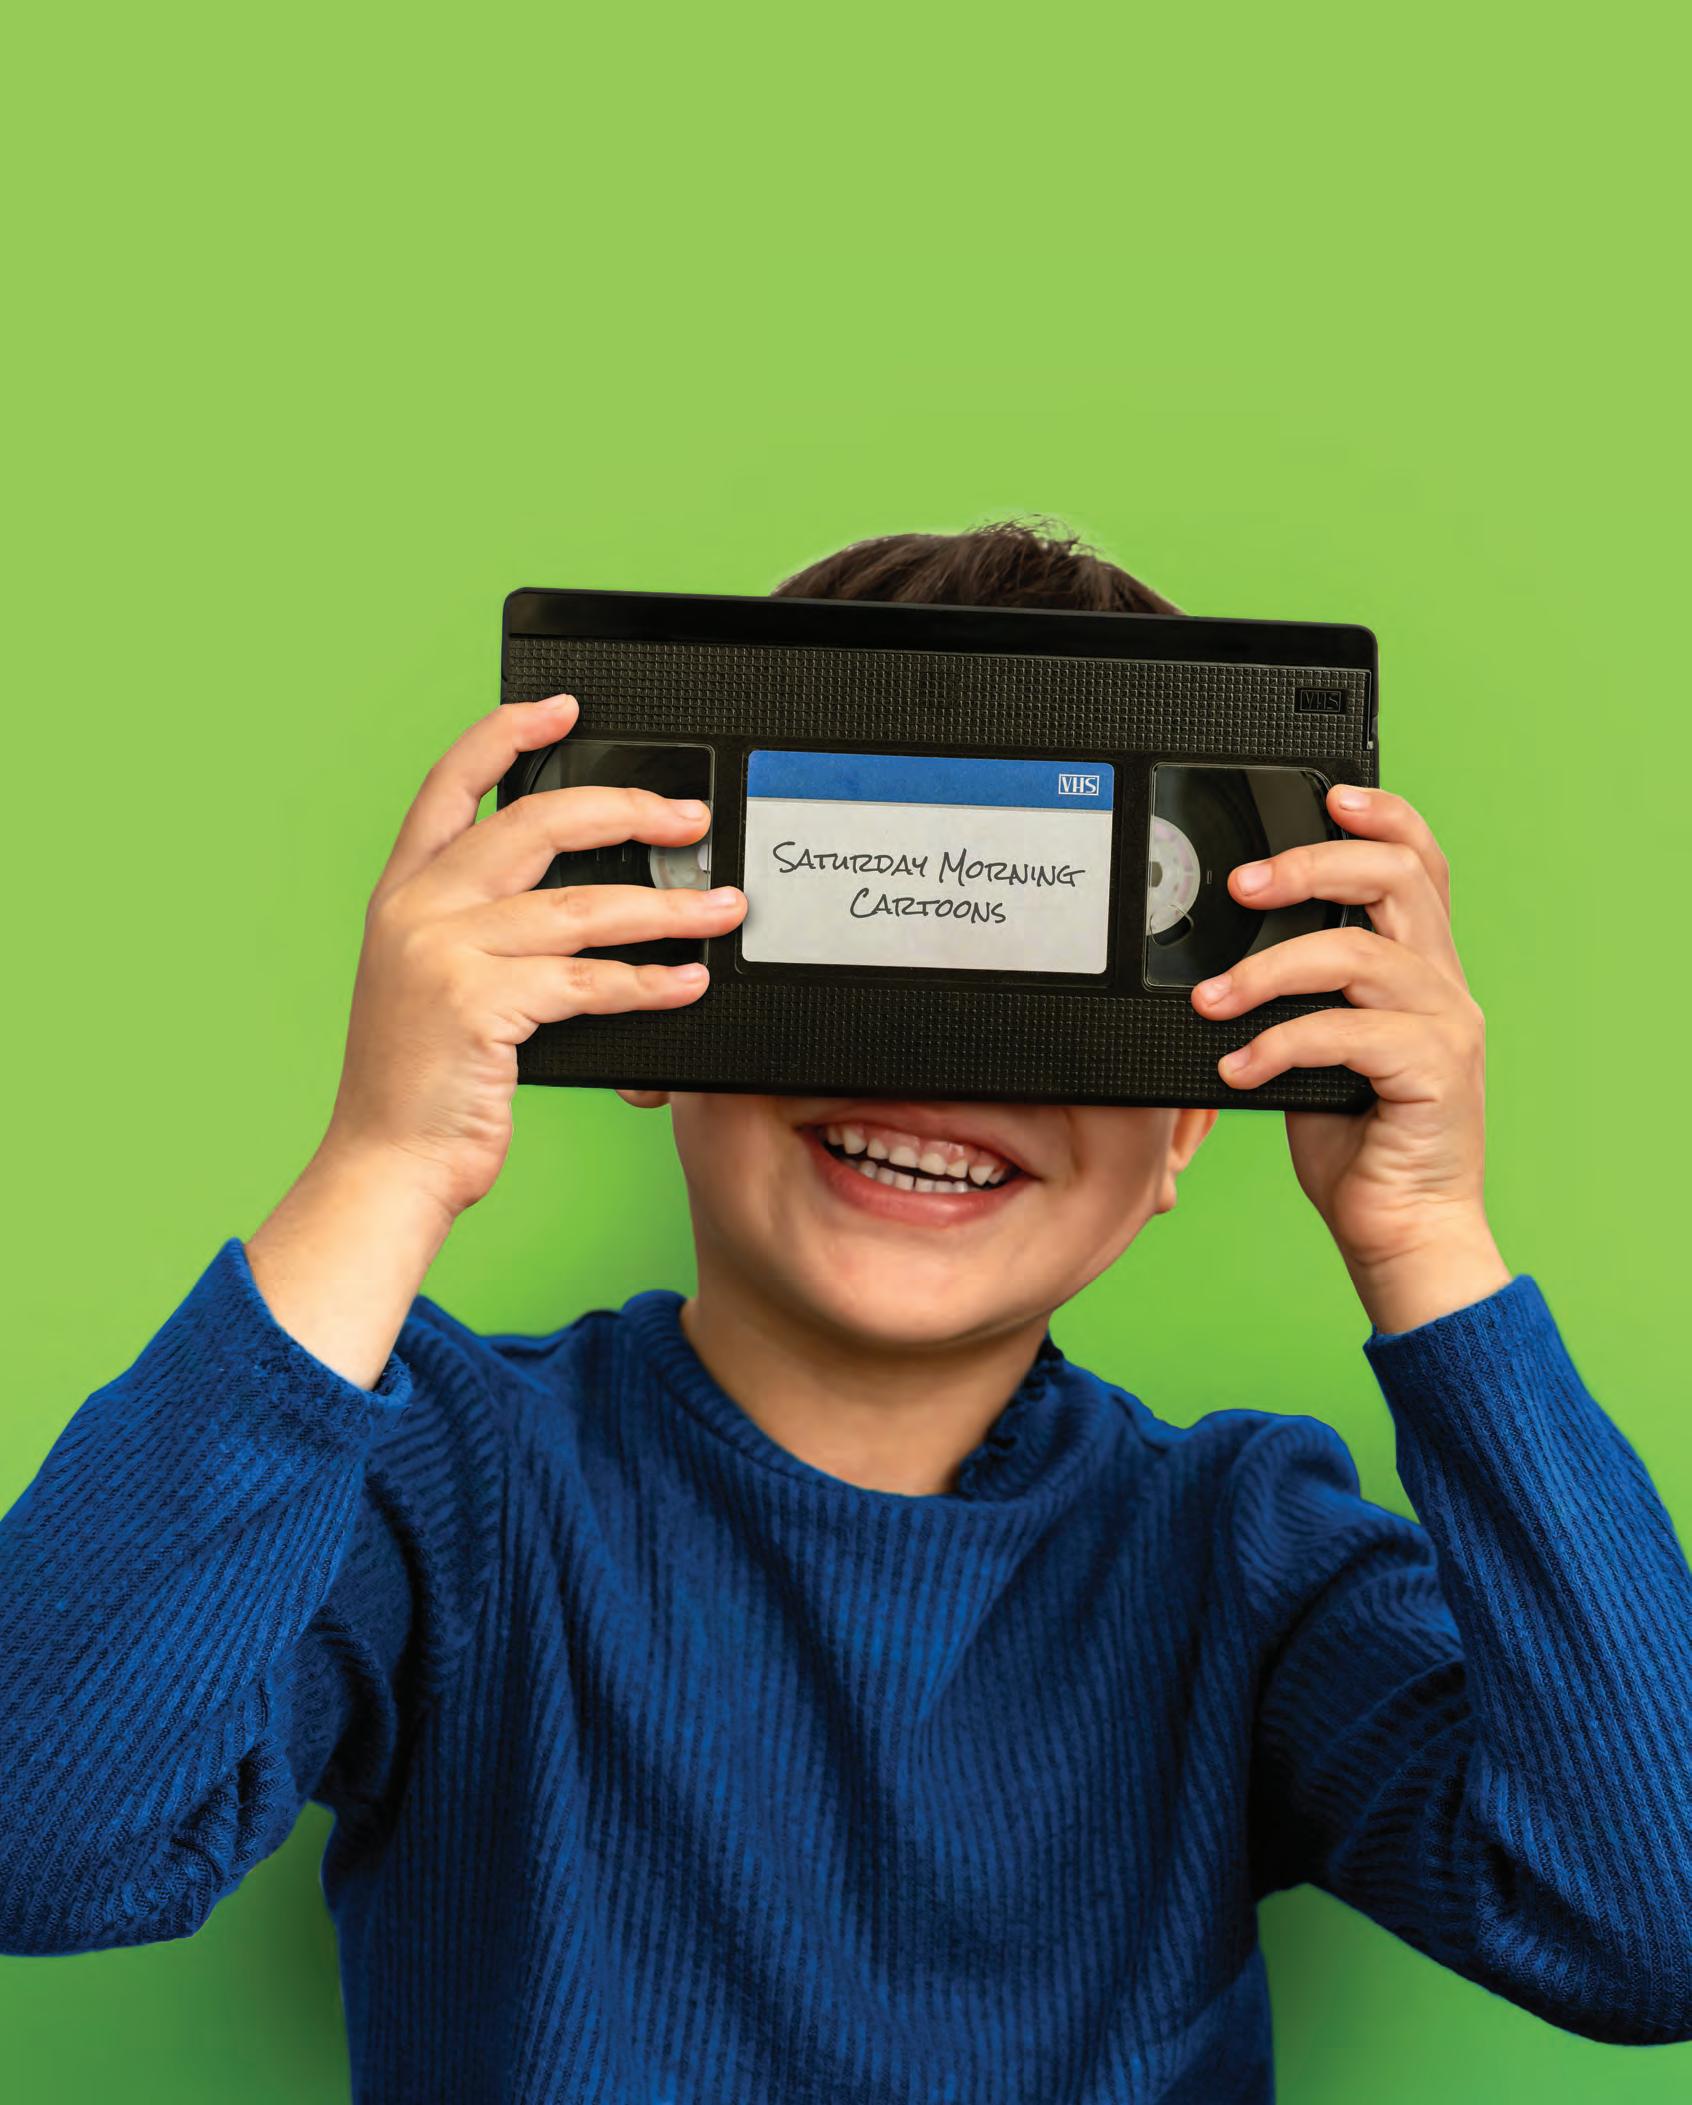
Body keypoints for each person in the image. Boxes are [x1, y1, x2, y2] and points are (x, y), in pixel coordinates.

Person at [1, 519, 1688, 2103]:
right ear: (643, 1002)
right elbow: (43, 1835)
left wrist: (1429, 1239)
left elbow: (1649, 1923)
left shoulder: (1241, 1556)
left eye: (1048, 961)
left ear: (1189, 1128)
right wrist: (383, 1161)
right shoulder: (441, 1485)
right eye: (864, 913)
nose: (938, 1062)